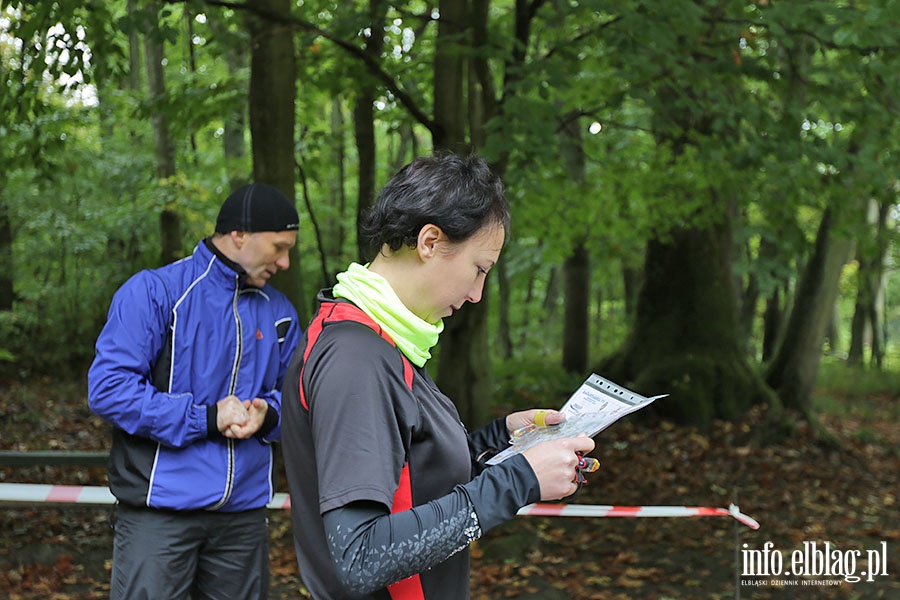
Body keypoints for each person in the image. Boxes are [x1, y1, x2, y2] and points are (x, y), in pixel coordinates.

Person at [281, 153, 597, 599]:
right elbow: (360, 556)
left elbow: (409, 478)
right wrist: (518, 480)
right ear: (430, 241)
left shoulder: (385, 343)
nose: (476, 294)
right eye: (478, 269)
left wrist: (501, 441)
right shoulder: (356, 359)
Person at [87, 182, 303, 599]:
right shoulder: (155, 293)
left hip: (243, 518)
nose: (285, 262)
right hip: (160, 515)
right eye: (278, 247)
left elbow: (299, 399)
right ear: (239, 235)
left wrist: (268, 415)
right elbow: (109, 389)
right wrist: (205, 418)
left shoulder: (280, 312)